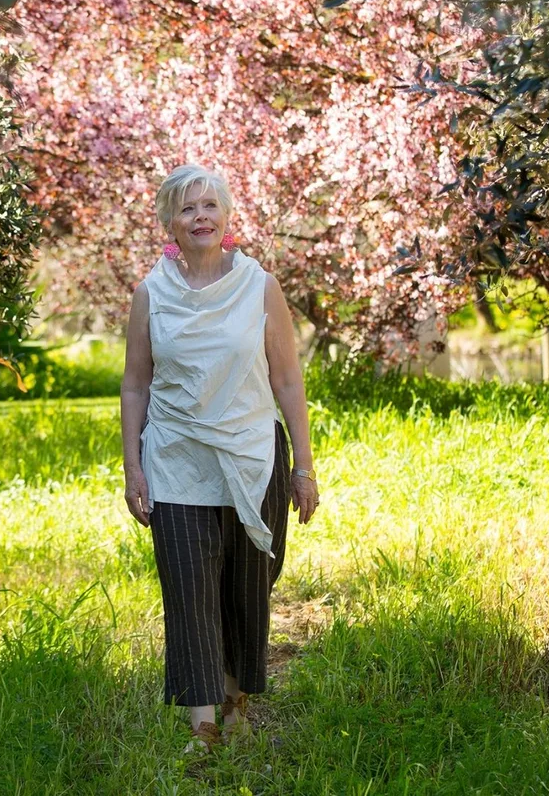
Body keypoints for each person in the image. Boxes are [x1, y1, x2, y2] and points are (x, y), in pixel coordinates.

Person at [120, 164, 319, 752]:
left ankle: (237, 698)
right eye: (186, 209)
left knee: (245, 584)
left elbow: (286, 378)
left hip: (252, 456)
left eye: (209, 205)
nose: (199, 216)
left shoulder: (260, 286)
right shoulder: (150, 294)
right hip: (176, 458)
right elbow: (136, 384)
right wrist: (132, 464)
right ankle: (202, 723)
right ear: (169, 223)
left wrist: (303, 465)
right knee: (188, 588)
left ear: (226, 215)